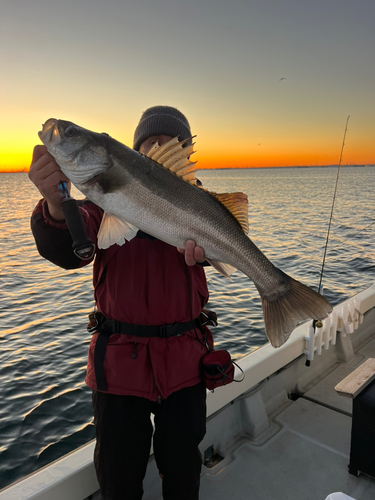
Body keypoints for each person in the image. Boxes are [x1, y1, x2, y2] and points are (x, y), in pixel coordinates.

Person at [28, 105, 214, 500]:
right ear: (132, 152)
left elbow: (223, 246)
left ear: (185, 152)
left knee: (183, 469)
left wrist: (213, 253)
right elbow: (69, 250)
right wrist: (55, 206)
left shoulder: (203, 207)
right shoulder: (100, 204)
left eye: (170, 142)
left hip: (186, 361)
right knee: (118, 476)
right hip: (118, 367)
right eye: (150, 142)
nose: (159, 146)